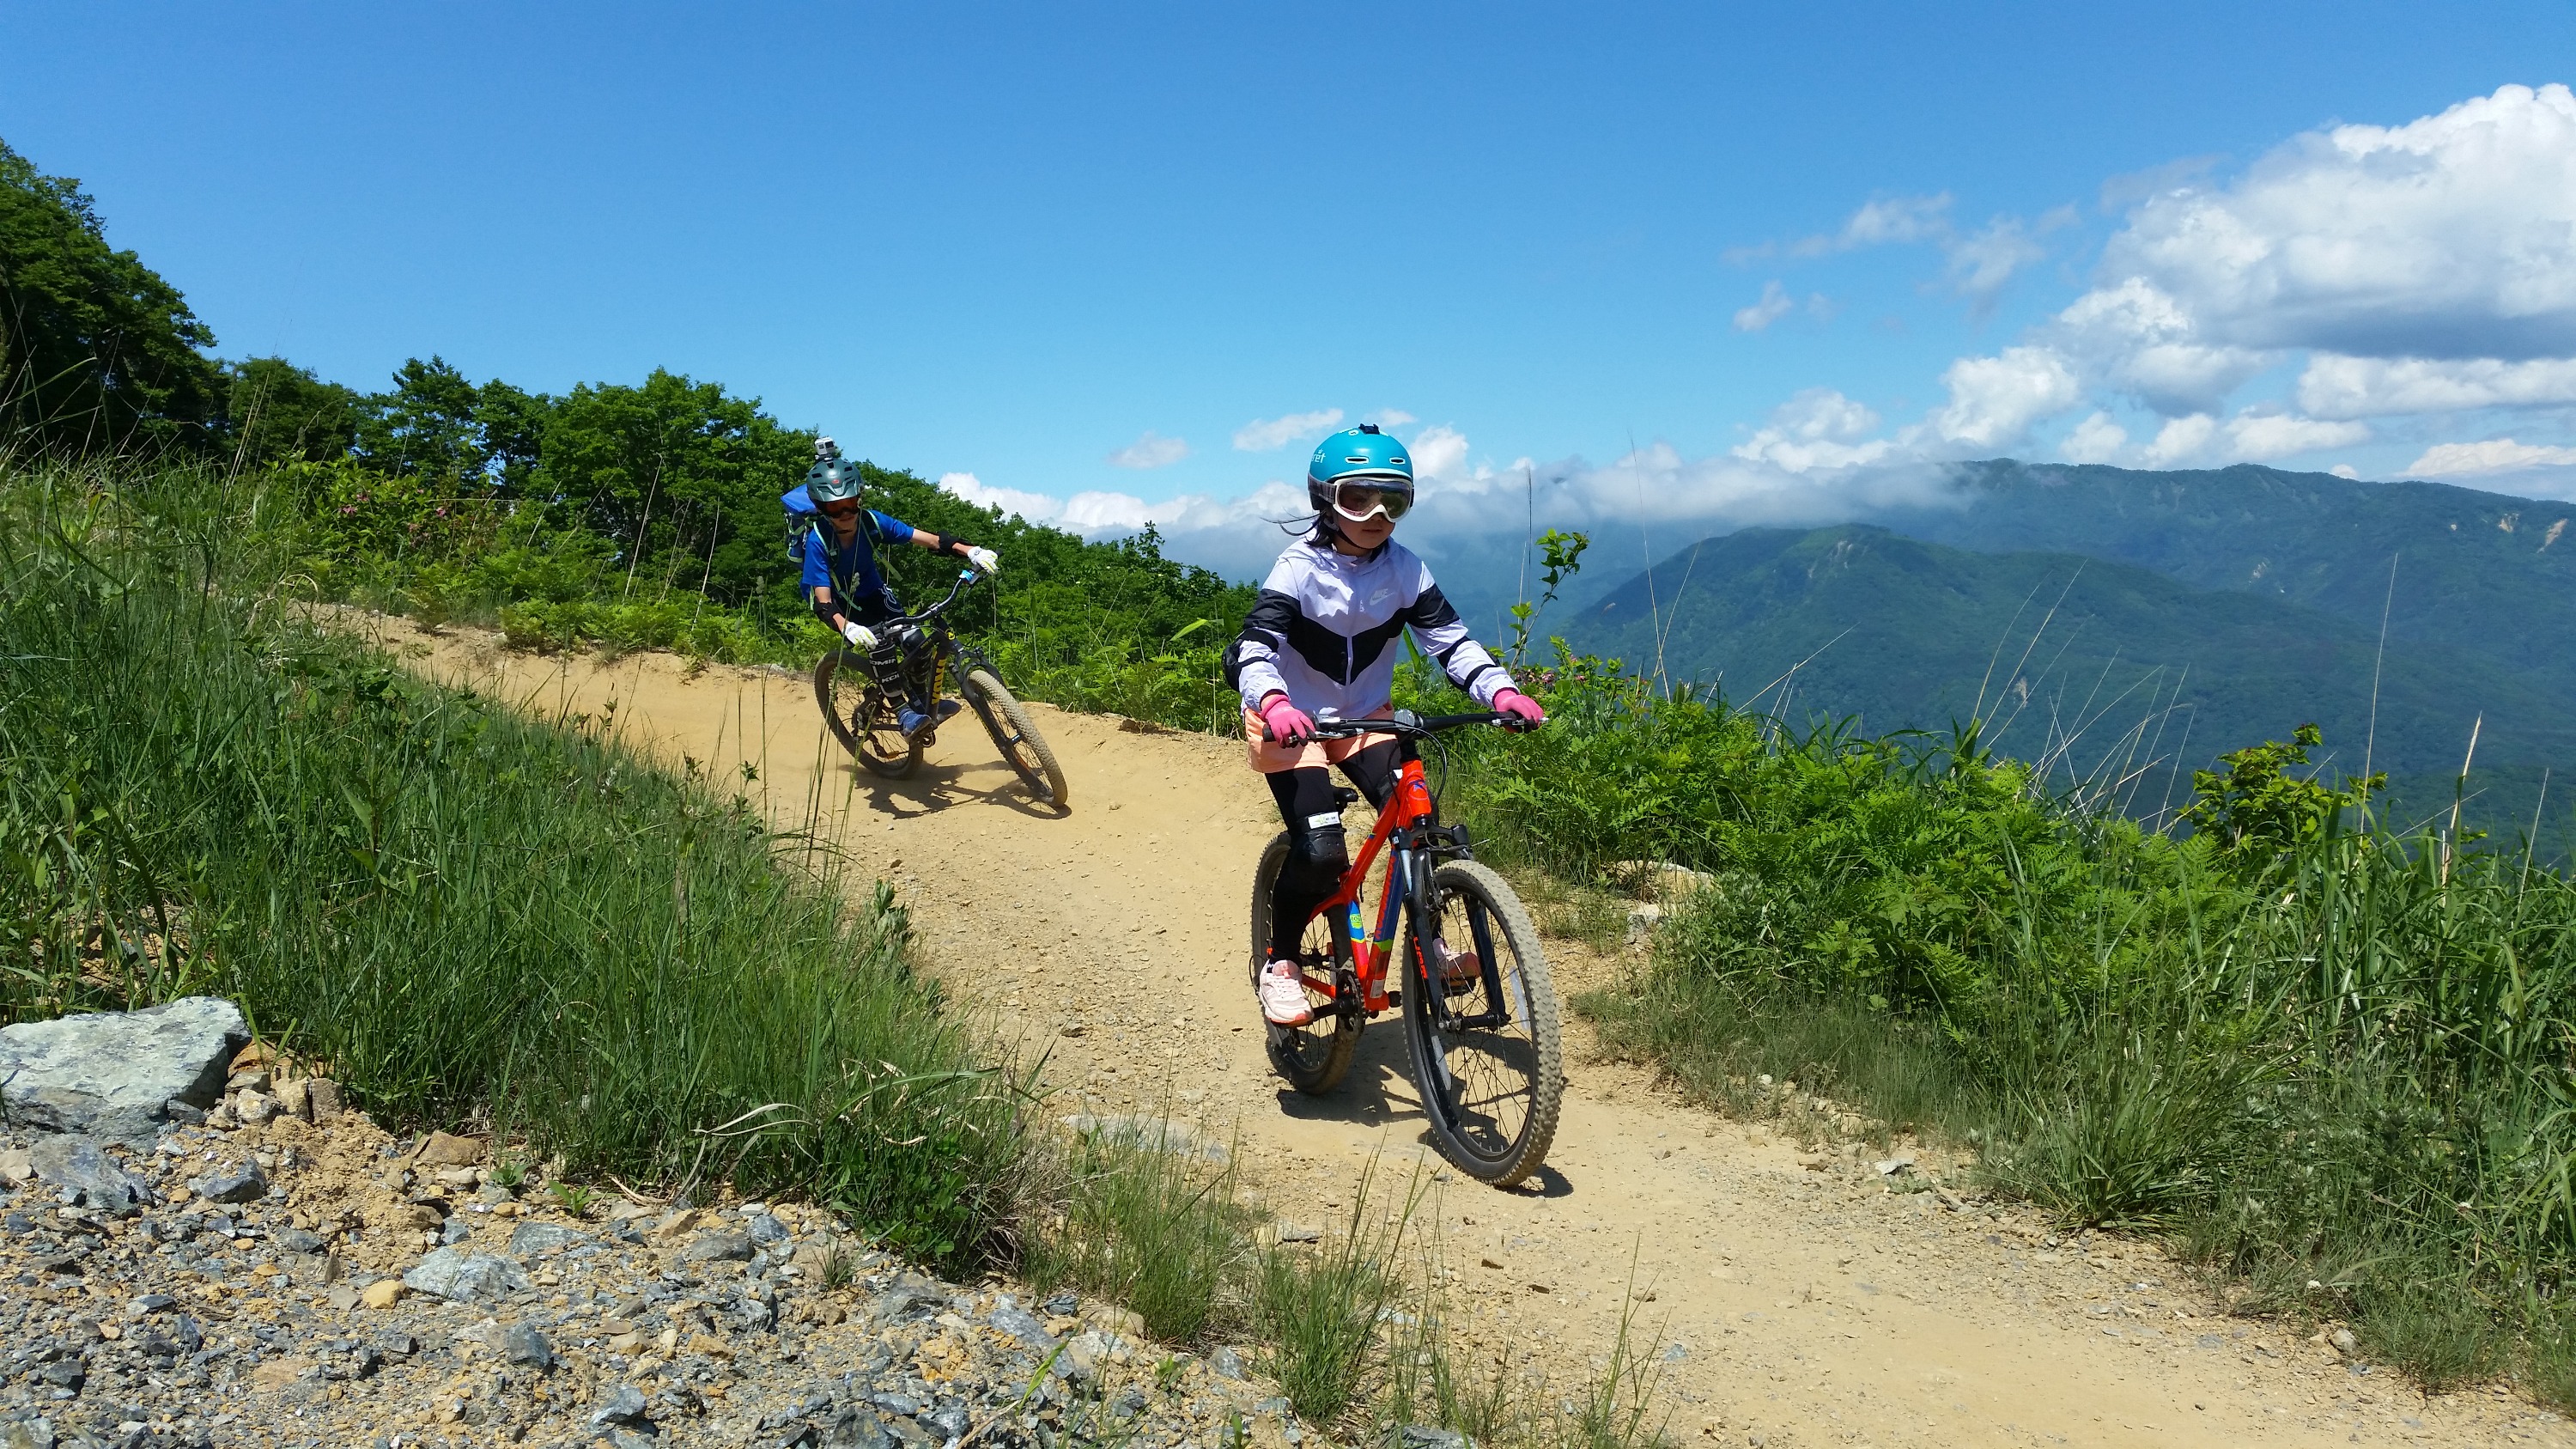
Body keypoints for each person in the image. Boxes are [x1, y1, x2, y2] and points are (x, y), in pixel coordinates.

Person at [1232, 423, 1546, 1026]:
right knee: (1322, 849)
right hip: (1288, 724)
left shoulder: (1405, 569)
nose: (1377, 513)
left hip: (1363, 719)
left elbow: (1451, 644)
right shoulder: (1297, 569)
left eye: (1393, 500)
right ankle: (1282, 962)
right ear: (1325, 498)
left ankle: (1429, 944)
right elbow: (1254, 647)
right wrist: (1274, 703)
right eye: (1359, 498)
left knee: (1419, 817)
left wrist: (1500, 690)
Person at [796, 438, 1000, 738]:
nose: (845, 514)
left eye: (850, 504)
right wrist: (847, 627)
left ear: (859, 499)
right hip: (843, 605)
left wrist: (970, 550)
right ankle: (903, 713)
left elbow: (930, 540)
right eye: (834, 508)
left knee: (916, 641)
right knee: (880, 646)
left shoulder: (872, 523)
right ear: (821, 508)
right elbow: (823, 602)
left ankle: (920, 704)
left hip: (875, 593)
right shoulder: (818, 541)